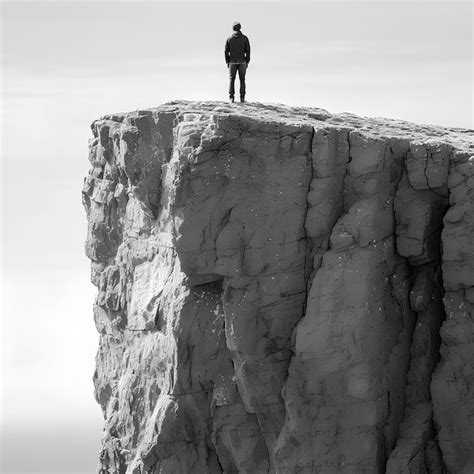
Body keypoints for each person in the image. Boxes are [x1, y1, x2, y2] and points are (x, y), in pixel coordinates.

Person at [225, 22, 250, 103]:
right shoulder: (245, 38)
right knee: (242, 80)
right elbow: (248, 51)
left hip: (232, 62)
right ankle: (242, 98)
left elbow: (226, 51)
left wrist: (227, 61)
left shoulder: (229, 38)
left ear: (233, 28)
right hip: (242, 61)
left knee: (232, 79)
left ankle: (231, 98)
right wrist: (247, 61)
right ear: (240, 28)